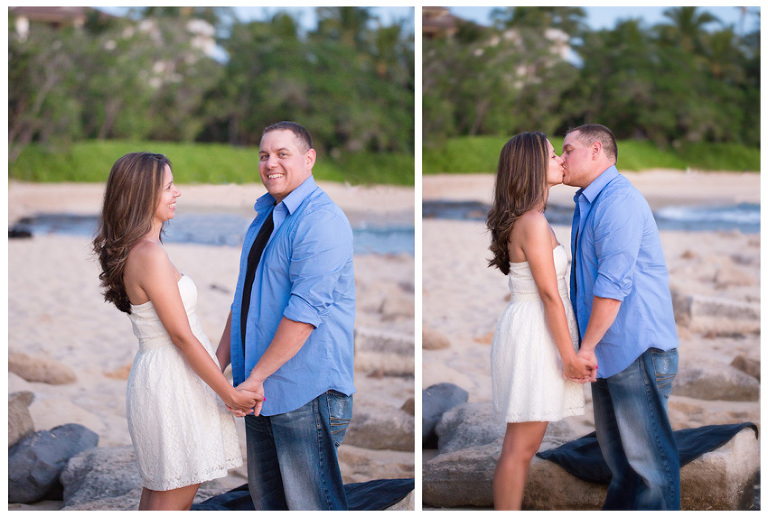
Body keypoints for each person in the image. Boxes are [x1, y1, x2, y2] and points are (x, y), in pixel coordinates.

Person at [93, 152, 260, 510]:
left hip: (169, 375)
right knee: (172, 500)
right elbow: (181, 336)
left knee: (163, 494)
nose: (177, 193)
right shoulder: (148, 254)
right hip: (171, 381)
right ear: (143, 194)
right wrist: (228, 395)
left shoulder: (143, 250)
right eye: (168, 187)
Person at [215, 121, 355, 510]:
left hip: (304, 392)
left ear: (309, 159)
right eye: (264, 155)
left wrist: (255, 378)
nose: (270, 163)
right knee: (269, 506)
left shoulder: (321, 220)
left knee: (311, 506)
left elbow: (304, 314)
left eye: (282, 154)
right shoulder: (265, 216)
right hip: (257, 391)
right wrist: (218, 366)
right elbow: (242, 301)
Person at [562, 124, 680, 510]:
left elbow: (612, 287)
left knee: (651, 470)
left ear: (596, 150)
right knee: (623, 468)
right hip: (607, 351)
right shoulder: (590, 201)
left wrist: (585, 348)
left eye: (568, 150)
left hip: (635, 350)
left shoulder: (618, 202)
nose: (562, 159)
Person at [486, 132, 596, 510]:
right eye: (552, 156)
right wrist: (569, 357)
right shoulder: (532, 222)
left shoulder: (532, 219)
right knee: (520, 448)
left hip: (531, 325)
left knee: (523, 445)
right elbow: (550, 295)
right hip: (535, 332)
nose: (561, 160)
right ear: (532, 167)